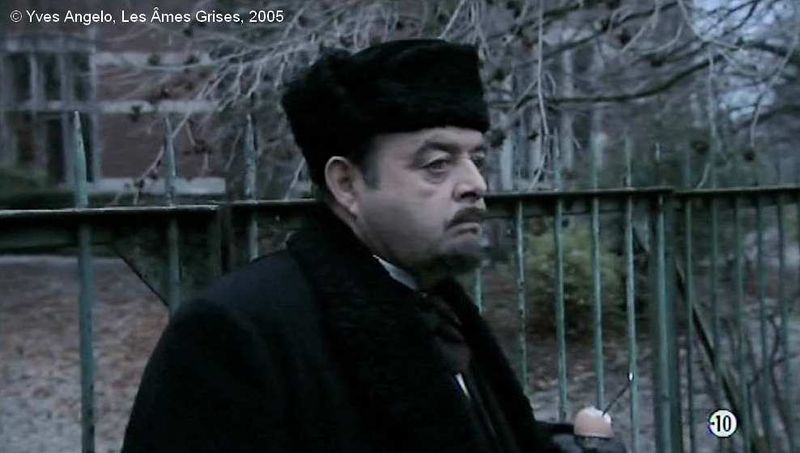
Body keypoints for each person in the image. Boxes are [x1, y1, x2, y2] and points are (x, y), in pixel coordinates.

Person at [122, 39, 618, 453]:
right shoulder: (234, 332)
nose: (475, 184)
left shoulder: (436, 301)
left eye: (476, 159)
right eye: (437, 164)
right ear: (347, 184)